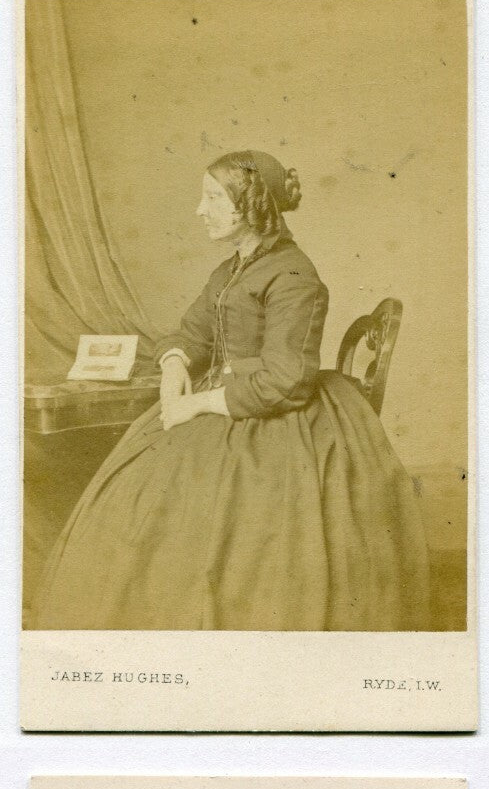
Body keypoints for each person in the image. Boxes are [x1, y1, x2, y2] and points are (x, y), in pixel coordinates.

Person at [33, 149, 429, 630]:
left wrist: (196, 403)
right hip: (228, 398)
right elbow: (191, 333)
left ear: (250, 204)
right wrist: (176, 365)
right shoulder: (231, 271)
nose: (200, 210)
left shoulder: (294, 277)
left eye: (212, 198)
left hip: (278, 418)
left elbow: (286, 382)